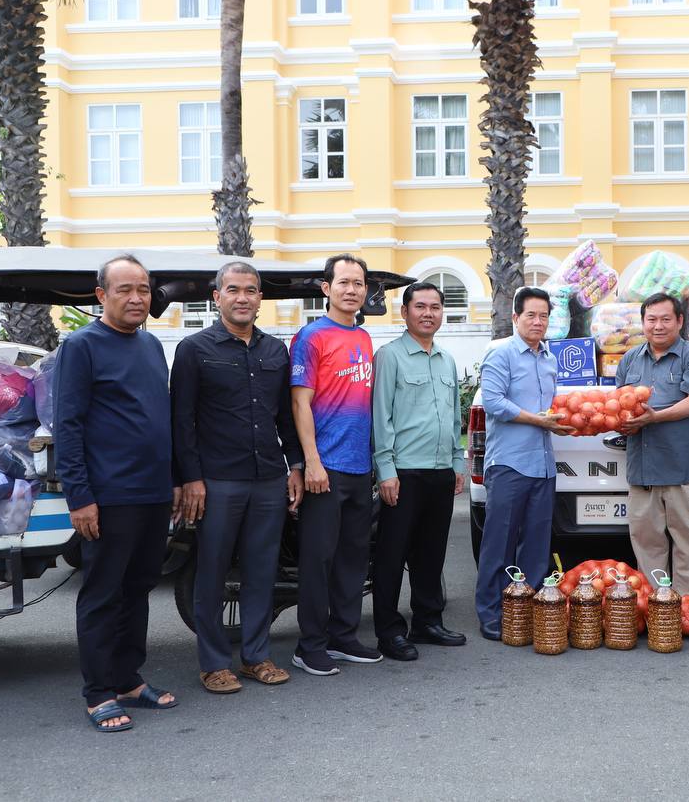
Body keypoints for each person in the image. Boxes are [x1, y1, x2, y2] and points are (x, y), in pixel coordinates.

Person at [54, 254, 176, 732]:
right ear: (101, 295)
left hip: (153, 493)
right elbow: (67, 425)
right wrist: (79, 497)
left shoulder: (151, 345)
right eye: (124, 289)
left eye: (143, 289)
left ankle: (128, 678)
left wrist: (174, 481)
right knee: (103, 594)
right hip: (108, 496)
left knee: (139, 588)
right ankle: (99, 692)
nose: (136, 298)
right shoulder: (81, 346)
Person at [171, 261, 303, 693]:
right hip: (218, 481)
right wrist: (190, 479)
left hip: (268, 477)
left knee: (261, 571)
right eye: (233, 290)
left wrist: (295, 466)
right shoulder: (194, 349)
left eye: (250, 290)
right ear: (217, 297)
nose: (242, 297)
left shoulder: (275, 351)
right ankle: (213, 663)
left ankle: (256, 657)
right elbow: (182, 421)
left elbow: (285, 417)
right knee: (212, 572)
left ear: (260, 298)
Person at [289, 253, 381, 676]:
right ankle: (309, 645)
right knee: (318, 560)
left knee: (352, 559)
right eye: (343, 282)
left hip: (360, 468)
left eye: (358, 283)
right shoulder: (311, 337)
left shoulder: (363, 338)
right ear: (326, 288)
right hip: (325, 468)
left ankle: (343, 636)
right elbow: (299, 403)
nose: (351, 290)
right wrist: (311, 462)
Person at [371, 281, 468, 661]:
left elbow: (455, 416)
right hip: (404, 472)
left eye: (435, 307)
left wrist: (457, 462)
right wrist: (386, 470)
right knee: (392, 556)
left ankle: (427, 622)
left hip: (440, 471)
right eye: (420, 306)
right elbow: (381, 416)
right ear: (405, 312)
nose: (428, 313)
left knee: (431, 554)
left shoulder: (447, 360)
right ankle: (389, 632)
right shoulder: (390, 356)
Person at [475, 287, 572, 640]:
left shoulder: (548, 358)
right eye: (531, 315)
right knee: (499, 544)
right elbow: (493, 403)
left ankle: (526, 611)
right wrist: (539, 421)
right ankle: (491, 613)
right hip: (509, 465)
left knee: (535, 546)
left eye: (543, 316)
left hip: (543, 465)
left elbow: (552, 408)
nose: (537, 322)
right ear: (515, 317)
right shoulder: (500, 353)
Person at [617, 292, 689, 595]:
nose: (658, 326)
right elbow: (619, 406)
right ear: (643, 322)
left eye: (665, 319)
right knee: (647, 547)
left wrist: (653, 418)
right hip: (643, 473)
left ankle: (688, 611)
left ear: (680, 321)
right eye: (651, 319)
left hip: (684, 471)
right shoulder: (630, 359)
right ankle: (656, 611)